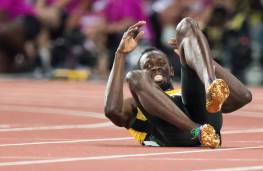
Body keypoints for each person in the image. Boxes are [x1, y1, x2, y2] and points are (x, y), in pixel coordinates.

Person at [104, 18, 252, 148]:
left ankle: (210, 84)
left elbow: (243, 97)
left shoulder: (186, 93)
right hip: (175, 134)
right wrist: (120, 55)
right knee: (134, 76)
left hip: (207, 125)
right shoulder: (135, 103)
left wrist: (195, 54)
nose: (155, 67)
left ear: (172, 71)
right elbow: (112, 111)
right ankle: (196, 130)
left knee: (187, 25)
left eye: (161, 63)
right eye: (148, 66)